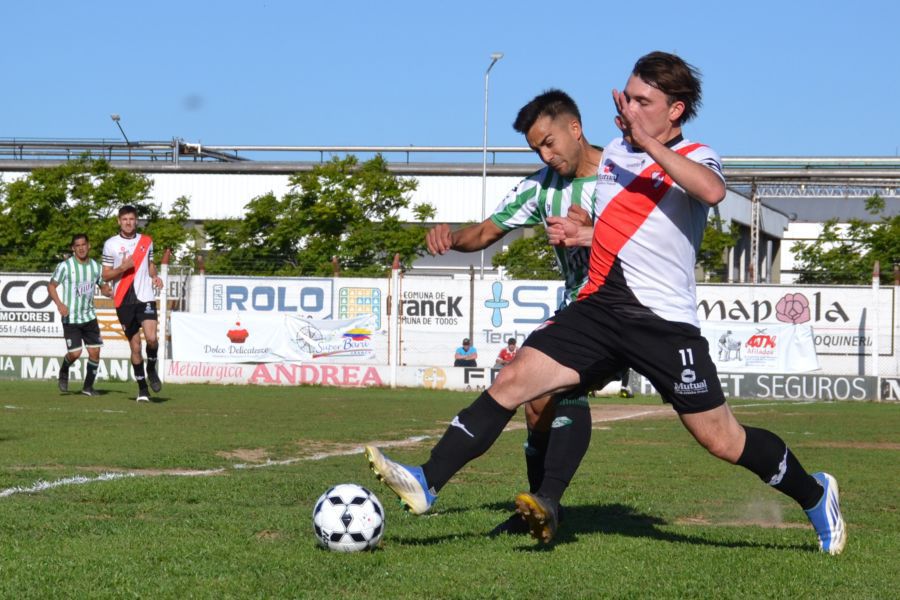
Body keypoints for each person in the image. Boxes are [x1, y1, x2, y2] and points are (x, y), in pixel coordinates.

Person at [366, 52, 846, 555]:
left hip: (662, 323)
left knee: (721, 439)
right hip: (600, 306)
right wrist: (585, 232)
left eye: (645, 101)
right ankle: (429, 481)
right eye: (629, 96)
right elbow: (623, 229)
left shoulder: (698, 155)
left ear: (675, 110)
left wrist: (649, 145)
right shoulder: (617, 151)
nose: (631, 107)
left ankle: (816, 495)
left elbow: (710, 191)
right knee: (515, 382)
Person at [423, 89, 610, 536]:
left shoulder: (619, 175)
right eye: (536, 149)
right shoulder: (540, 187)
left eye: (549, 142)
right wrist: (452, 239)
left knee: (715, 432)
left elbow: (652, 233)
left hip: (627, 308)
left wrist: (594, 230)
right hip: (577, 307)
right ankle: (539, 507)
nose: (546, 154)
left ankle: (544, 502)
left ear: (575, 129)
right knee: (537, 404)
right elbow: (487, 230)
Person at [102, 205, 164, 402]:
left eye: (131, 219)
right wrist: (123, 267)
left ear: (136, 221)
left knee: (152, 338)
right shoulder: (110, 244)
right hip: (123, 300)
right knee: (135, 347)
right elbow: (105, 274)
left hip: (145, 296)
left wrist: (155, 276)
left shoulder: (146, 241)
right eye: (124, 219)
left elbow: (150, 265)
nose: (128, 222)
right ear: (119, 221)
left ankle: (151, 368)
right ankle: (142, 388)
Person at [48, 233, 112, 396]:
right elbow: (51, 286)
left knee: (95, 353)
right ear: (73, 248)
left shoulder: (96, 267)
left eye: (84, 244)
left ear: (88, 246)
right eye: (77, 246)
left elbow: (102, 285)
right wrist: (60, 304)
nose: (81, 248)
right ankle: (64, 370)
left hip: (89, 317)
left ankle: (88, 387)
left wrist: (106, 291)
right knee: (75, 353)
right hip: (71, 318)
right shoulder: (65, 266)